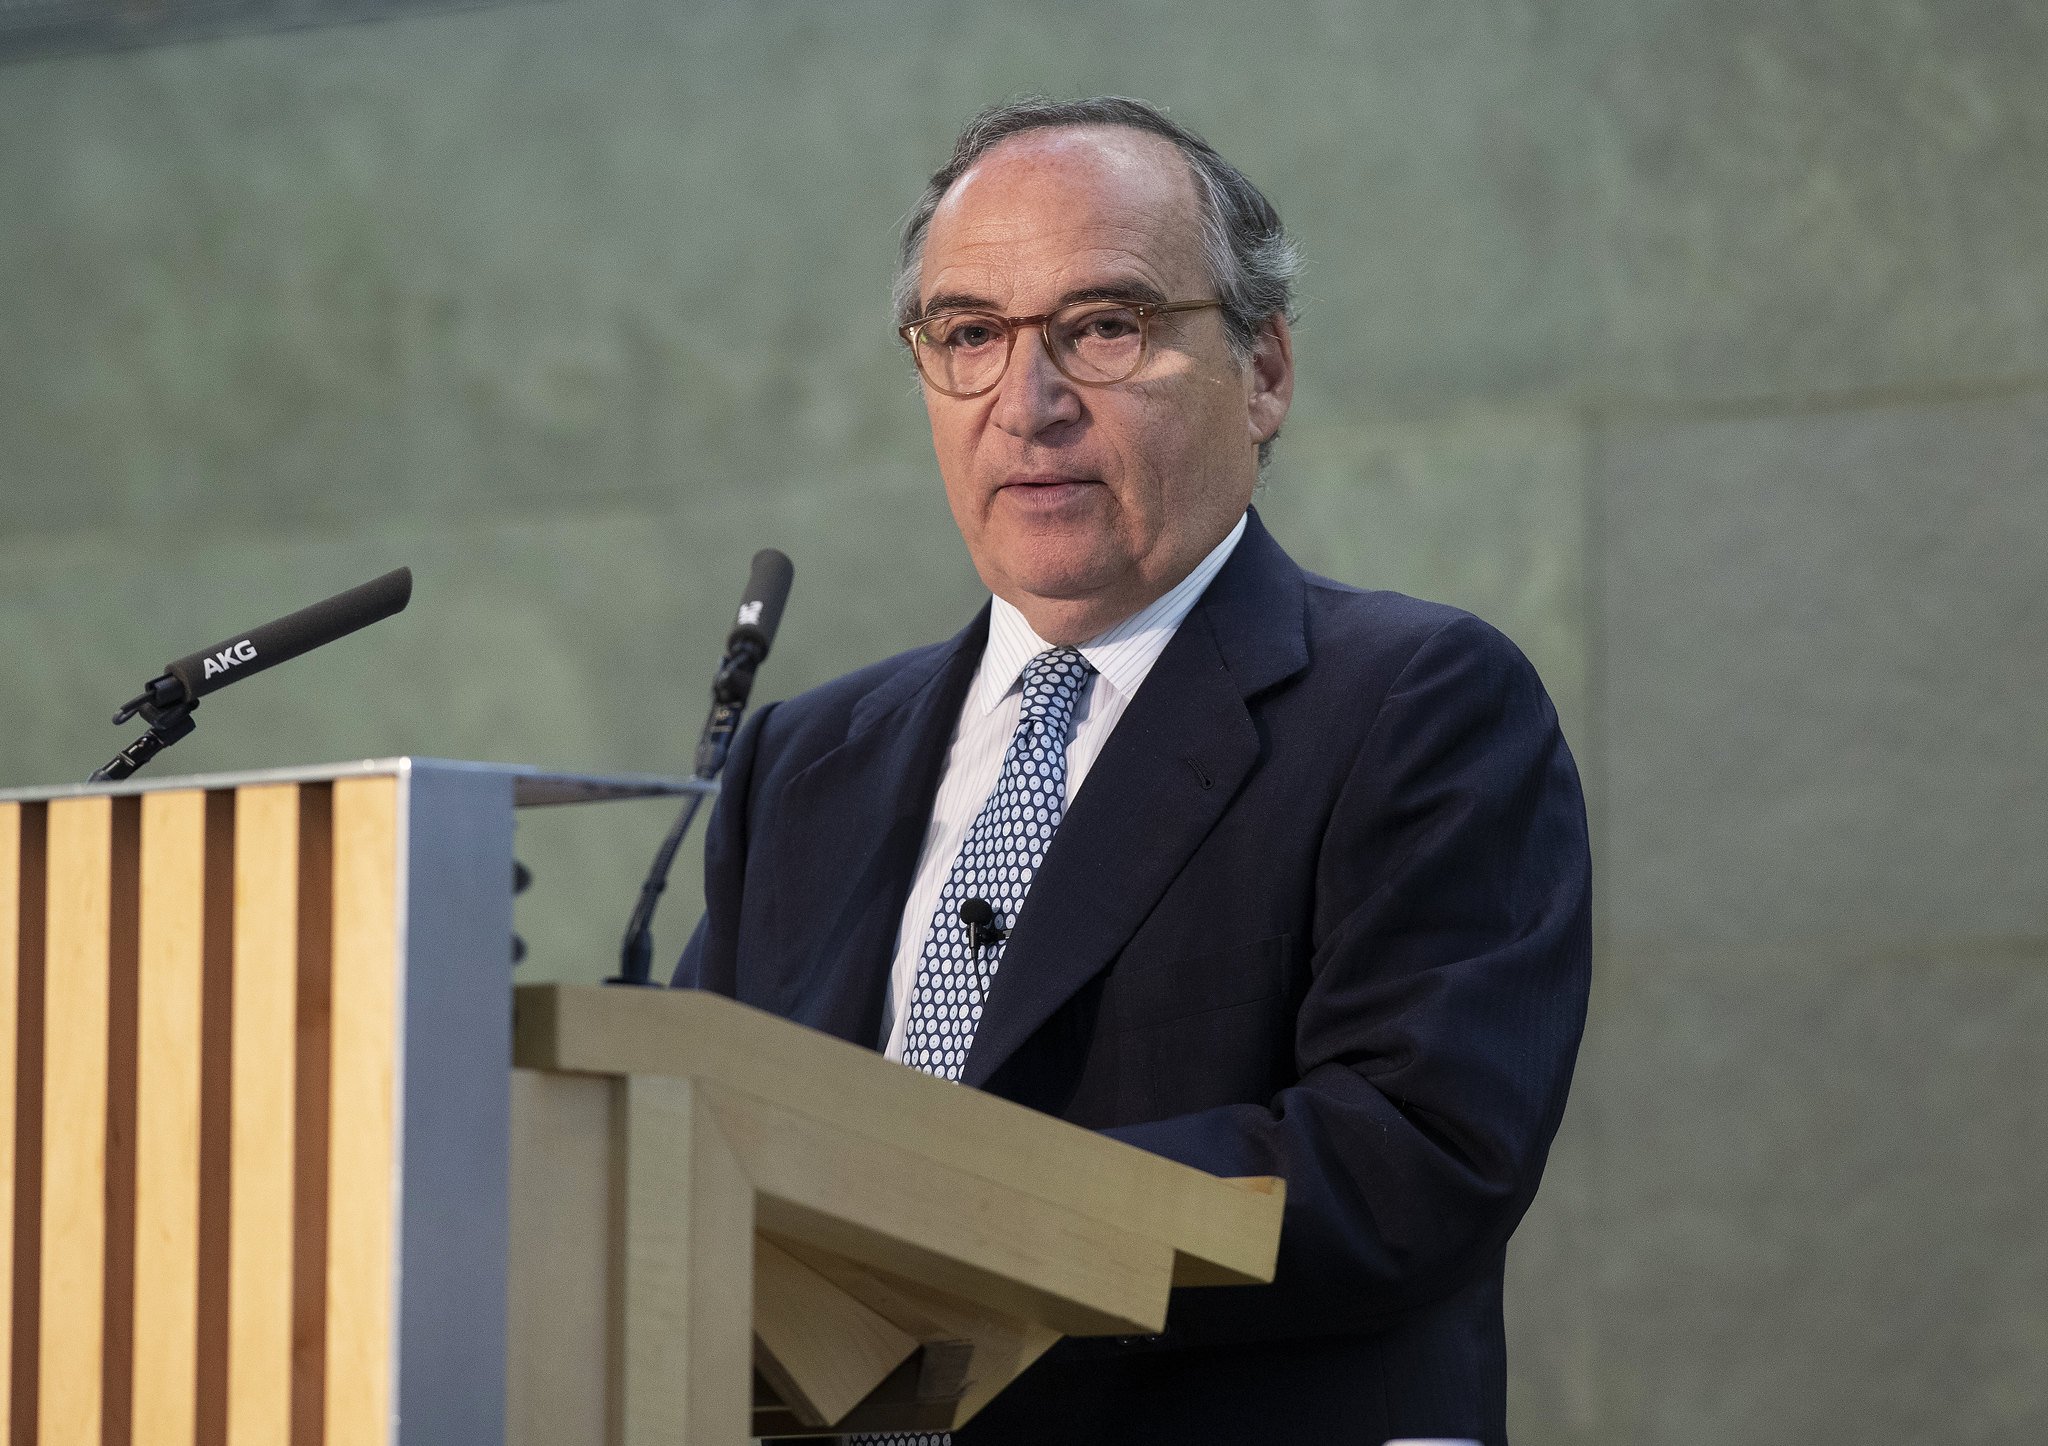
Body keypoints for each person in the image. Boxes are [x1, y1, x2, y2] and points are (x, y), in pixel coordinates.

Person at [675, 96, 1590, 1446]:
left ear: (1263, 368)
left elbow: (1412, 1160)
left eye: (1103, 326)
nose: (1027, 406)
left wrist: (939, 1213)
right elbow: (690, 1151)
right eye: (971, 336)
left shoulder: (1414, 701)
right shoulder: (808, 759)